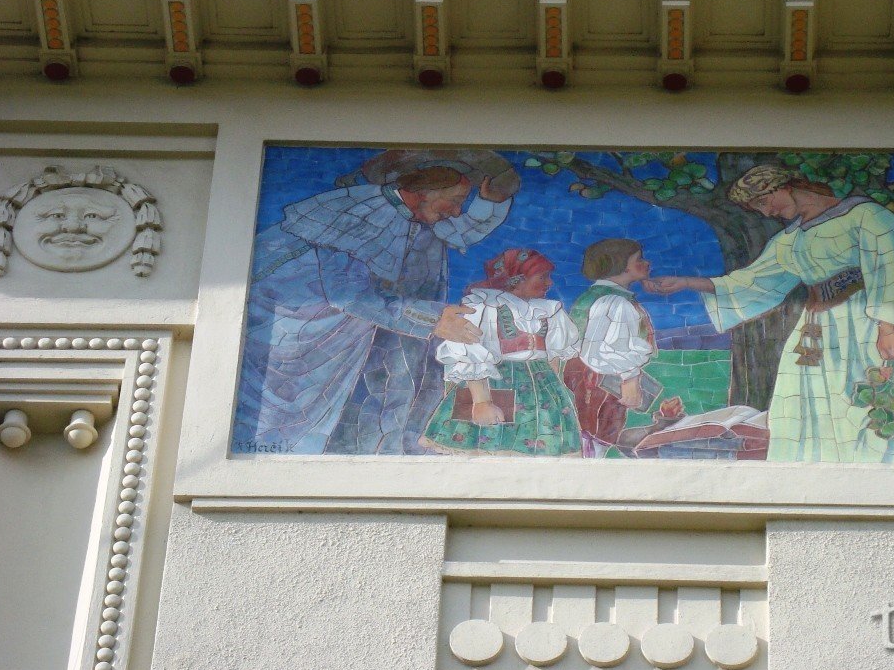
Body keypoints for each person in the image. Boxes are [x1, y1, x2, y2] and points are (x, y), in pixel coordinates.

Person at [645, 165, 894, 464]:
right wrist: (686, 282)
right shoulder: (789, 242)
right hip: (817, 333)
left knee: (880, 406)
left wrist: (889, 327)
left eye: (763, 202)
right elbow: (749, 283)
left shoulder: (866, 216)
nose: (766, 213)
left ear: (782, 186)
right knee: (807, 411)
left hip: (870, 326)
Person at [233, 165, 513, 455]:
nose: (457, 212)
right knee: (307, 408)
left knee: (395, 383)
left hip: (376, 325)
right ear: (421, 194)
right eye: (455, 201)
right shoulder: (353, 217)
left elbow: (458, 231)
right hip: (308, 330)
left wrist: (489, 203)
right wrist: (432, 319)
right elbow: (349, 296)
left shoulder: (419, 213)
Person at [420, 248, 582, 456]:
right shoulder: (485, 308)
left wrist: (557, 394)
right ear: (516, 280)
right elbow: (470, 355)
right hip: (496, 384)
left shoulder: (550, 312)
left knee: (543, 447)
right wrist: (481, 402)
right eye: (542, 277)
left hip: (543, 391)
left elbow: (554, 359)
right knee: (495, 446)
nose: (549, 283)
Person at [563, 239, 658, 457]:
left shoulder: (593, 296)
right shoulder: (616, 303)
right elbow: (601, 350)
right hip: (603, 378)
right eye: (639, 260)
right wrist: (630, 378)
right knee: (599, 432)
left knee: (591, 429)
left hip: (587, 372)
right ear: (622, 266)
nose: (646, 263)